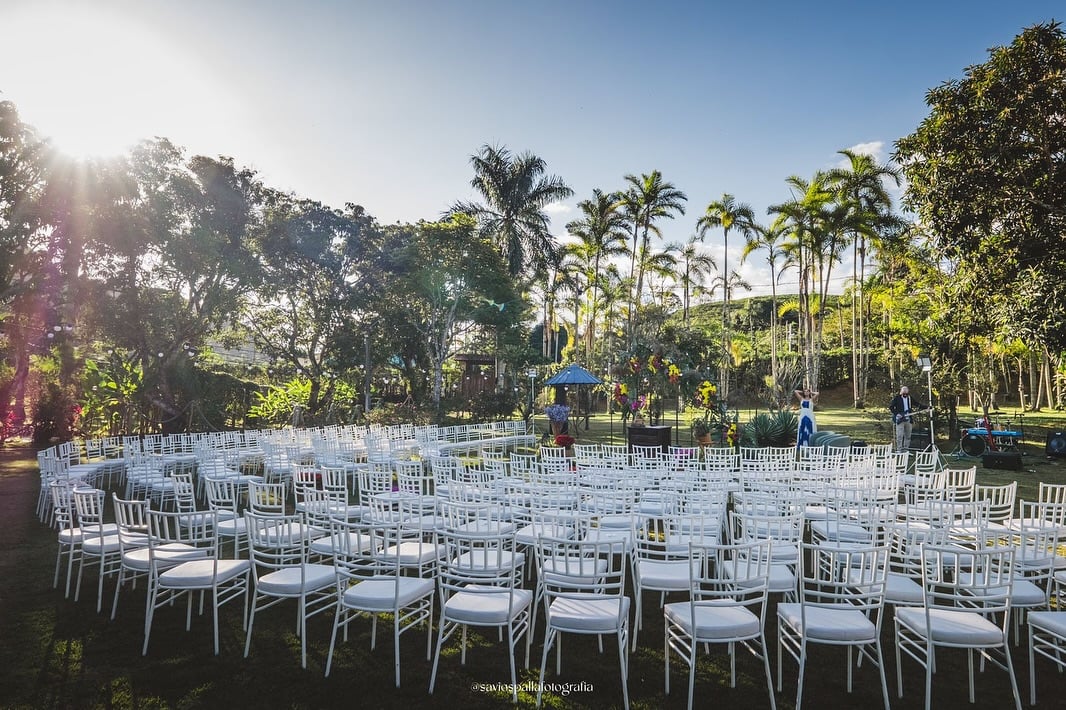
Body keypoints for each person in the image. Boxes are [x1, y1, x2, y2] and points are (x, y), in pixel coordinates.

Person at [889, 385, 925, 451]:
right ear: (901, 392)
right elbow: (891, 407)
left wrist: (926, 407)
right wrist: (897, 414)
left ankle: (906, 450)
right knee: (899, 436)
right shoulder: (897, 398)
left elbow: (917, 404)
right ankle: (899, 450)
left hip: (908, 419)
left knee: (908, 436)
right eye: (904, 393)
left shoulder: (909, 398)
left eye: (906, 393)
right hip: (900, 420)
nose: (905, 394)